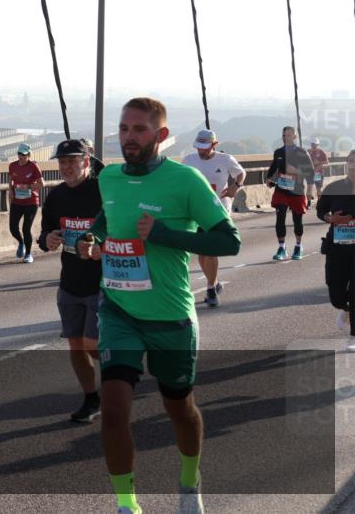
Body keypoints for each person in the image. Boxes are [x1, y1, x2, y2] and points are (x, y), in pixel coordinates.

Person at [77, 98, 241, 514]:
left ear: (161, 136)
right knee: (113, 411)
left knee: (180, 411)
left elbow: (228, 240)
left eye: (140, 130)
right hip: (119, 311)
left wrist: (167, 235)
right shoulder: (109, 178)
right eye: (124, 128)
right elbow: (106, 221)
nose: (129, 137)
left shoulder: (185, 181)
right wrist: (89, 240)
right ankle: (127, 505)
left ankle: (189, 481)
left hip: (170, 316)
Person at [37, 139, 103, 423]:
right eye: (62, 162)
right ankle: (91, 399)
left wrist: (101, 244)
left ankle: (122, 373)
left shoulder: (102, 191)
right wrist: (47, 239)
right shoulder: (56, 196)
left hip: (103, 281)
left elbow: (121, 225)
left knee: (92, 343)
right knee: (76, 345)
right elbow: (44, 234)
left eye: (72, 161)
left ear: (86, 162)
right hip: (70, 282)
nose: (66, 167)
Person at [181, 129, 246, 307]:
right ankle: (215, 283)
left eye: (205, 147)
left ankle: (210, 289)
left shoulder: (225, 159)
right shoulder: (189, 161)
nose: (201, 151)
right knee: (202, 252)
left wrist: (236, 186)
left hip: (218, 211)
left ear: (214, 145)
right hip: (196, 211)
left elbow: (241, 173)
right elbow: (181, 181)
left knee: (209, 251)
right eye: (198, 147)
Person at [316, 149, 355, 351]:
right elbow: (320, 210)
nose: (353, 164)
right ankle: (346, 308)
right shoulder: (335, 187)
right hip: (337, 246)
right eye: (350, 160)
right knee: (336, 294)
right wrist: (331, 219)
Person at [266, 126, 316, 260]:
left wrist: (310, 190)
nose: (285, 138)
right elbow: (273, 169)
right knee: (280, 217)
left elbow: (310, 173)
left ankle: (298, 246)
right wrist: (269, 179)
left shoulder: (302, 152)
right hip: (281, 190)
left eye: (288, 135)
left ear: (294, 137)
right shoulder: (278, 152)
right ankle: (281, 248)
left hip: (297, 191)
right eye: (283, 135)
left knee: (297, 220)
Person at [8, 143, 44, 263]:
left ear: (28, 155)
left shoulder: (34, 166)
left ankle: (28, 254)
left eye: (23, 154)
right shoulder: (12, 166)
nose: (21, 157)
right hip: (17, 201)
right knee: (13, 228)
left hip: (31, 202)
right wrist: (11, 191)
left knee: (26, 229)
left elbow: (42, 184)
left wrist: (28, 186)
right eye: (19, 154)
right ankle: (21, 242)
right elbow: (11, 180)